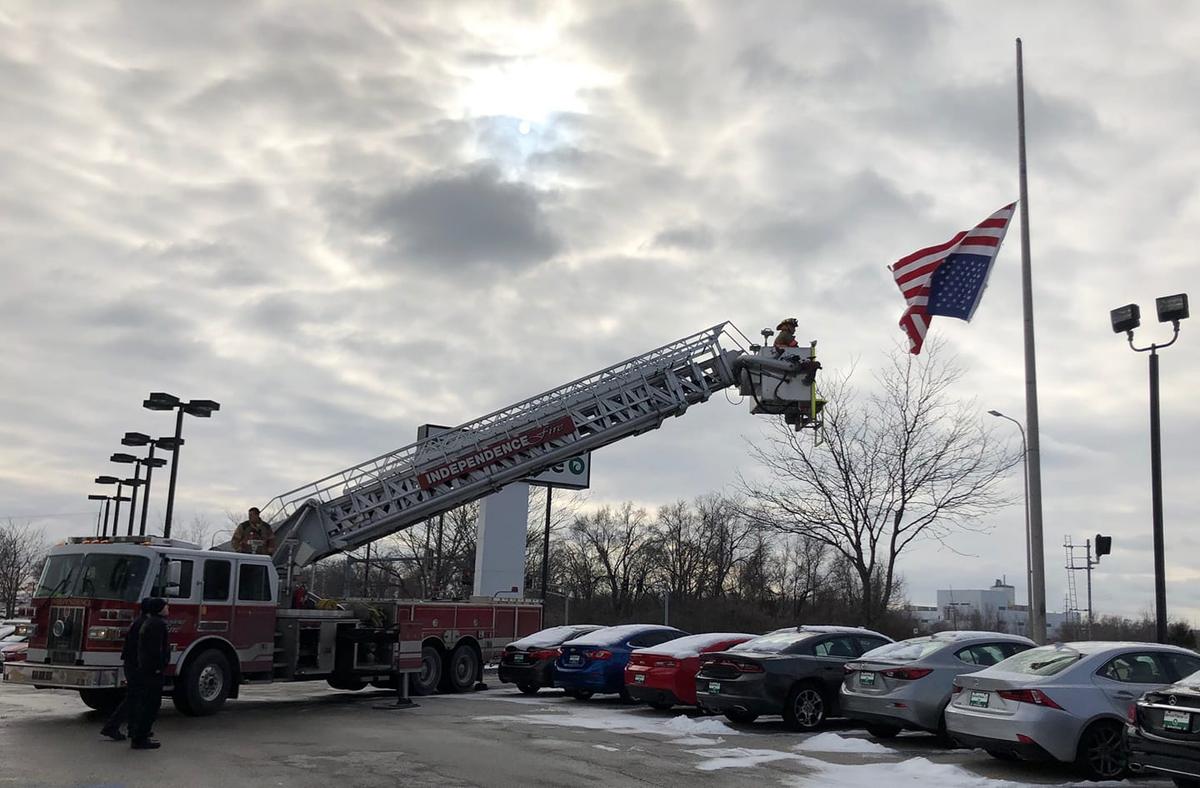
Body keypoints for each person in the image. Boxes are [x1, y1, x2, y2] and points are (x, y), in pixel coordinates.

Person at [127, 597, 169, 750]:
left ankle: (139, 735)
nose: (168, 608)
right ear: (159, 609)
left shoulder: (148, 622)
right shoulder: (157, 625)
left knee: (145, 703)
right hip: (152, 672)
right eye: (165, 606)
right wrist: (158, 667)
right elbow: (155, 649)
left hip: (146, 670)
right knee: (151, 704)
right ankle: (140, 738)